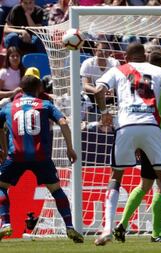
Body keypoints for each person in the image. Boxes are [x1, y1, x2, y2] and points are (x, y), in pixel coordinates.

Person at [93, 42, 161, 246]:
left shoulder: (118, 70)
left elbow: (98, 91)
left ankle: (107, 229)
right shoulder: (159, 71)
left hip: (126, 127)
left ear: (126, 56)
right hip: (153, 128)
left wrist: (105, 113)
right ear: (144, 55)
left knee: (116, 178)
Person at [113, 48, 161, 243]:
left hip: (139, 133)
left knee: (144, 184)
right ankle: (156, 232)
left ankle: (122, 223)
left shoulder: (142, 82)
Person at [0, 73, 83, 242]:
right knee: (55, 189)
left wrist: (2, 147)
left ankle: (6, 223)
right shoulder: (45, 104)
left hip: (16, 155)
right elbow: (64, 122)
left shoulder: (9, 107)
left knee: (1, 186)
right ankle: (69, 226)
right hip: (41, 157)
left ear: (21, 89)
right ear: (39, 89)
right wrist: (69, 148)